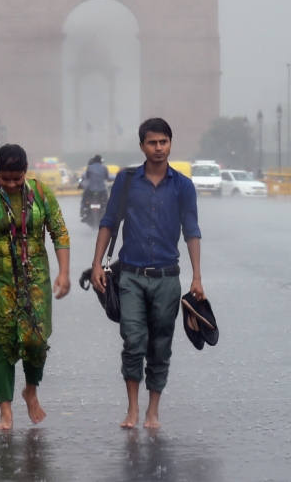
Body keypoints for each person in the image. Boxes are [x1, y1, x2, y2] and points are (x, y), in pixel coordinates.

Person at [91, 118, 203, 430]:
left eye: (163, 142)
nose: (158, 148)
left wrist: (197, 276)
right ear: (142, 146)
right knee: (134, 340)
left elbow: (192, 231)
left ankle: (153, 411)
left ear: (170, 143)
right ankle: (132, 409)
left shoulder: (183, 186)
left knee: (160, 345)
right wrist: (97, 263)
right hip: (131, 276)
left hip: (168, 277)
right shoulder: (127, 182)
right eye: (152, 143)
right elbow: (109, 222)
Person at [0, 144, 71, 430]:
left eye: (16, 179)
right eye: (5, 179)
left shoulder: (42, 194)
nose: (10, 185)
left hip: (34, 274)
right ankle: (5, 411)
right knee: (2, 344)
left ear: (25, 173)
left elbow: (59, 231)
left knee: (35, 339)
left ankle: (30, 391)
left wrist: (64, 273)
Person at [80, 155, 111, 223]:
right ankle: (109, 214)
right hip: (102, 190)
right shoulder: (104, 168)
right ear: (100, 161)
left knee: (84, 199)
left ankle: (82, 211)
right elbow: (107, 178)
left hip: (90, 189)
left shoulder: (89, 167)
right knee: (106, 202)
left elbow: (87, 177)